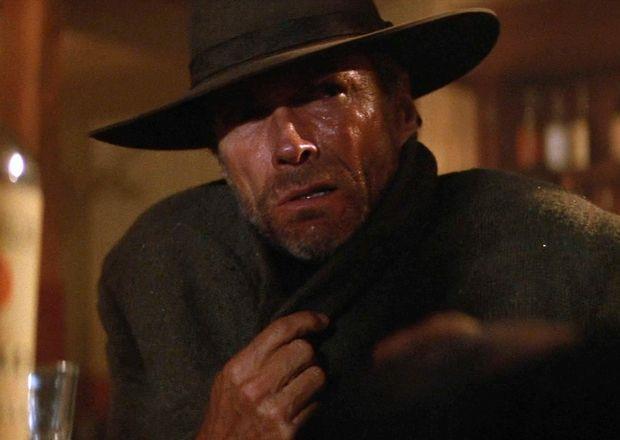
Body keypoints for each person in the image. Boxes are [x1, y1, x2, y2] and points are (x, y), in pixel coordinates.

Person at [93, 1, 620, 439]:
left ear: (401, 112)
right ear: (218, 153)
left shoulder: (561, 248)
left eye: (325, 92)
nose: (291, 145)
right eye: (245, 114)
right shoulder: (165, 271)